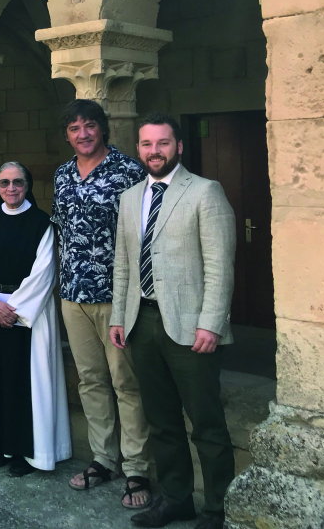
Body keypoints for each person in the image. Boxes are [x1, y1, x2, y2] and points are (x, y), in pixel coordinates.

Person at [110, 114, 236, 529]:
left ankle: (218, 509)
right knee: (161, 420)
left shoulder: (204, 192)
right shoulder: (130, 198)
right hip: (141, 323)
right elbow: (124, 265)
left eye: (163, 143)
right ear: (139, 149)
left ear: (178, 147)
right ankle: (177, 499)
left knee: (206, 423)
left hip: (190, 326)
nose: (154, 151)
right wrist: (118, 316)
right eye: (146, 144)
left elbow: (220, 265)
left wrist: (211, 323)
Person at [52, 99, 153, 508]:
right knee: (91, 380)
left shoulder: (129, 171)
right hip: (73, 294)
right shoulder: (61, 175)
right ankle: (103, 458)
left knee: (126, 383)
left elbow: (142, 235)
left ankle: (136, 469)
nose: (83, 134)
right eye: (75, 128)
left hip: (115, 295)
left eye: (89, 125)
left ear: (102, 129)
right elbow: (60, 233)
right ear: (67, 135)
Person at [0, 162, 71, 476]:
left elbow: (45, 271)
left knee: (25, 383)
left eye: (18, 182)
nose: (11, 188)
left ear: (28, 186)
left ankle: (24, 452)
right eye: (4, 183)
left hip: (29, 316)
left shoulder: (42, 223)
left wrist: (15, 310)